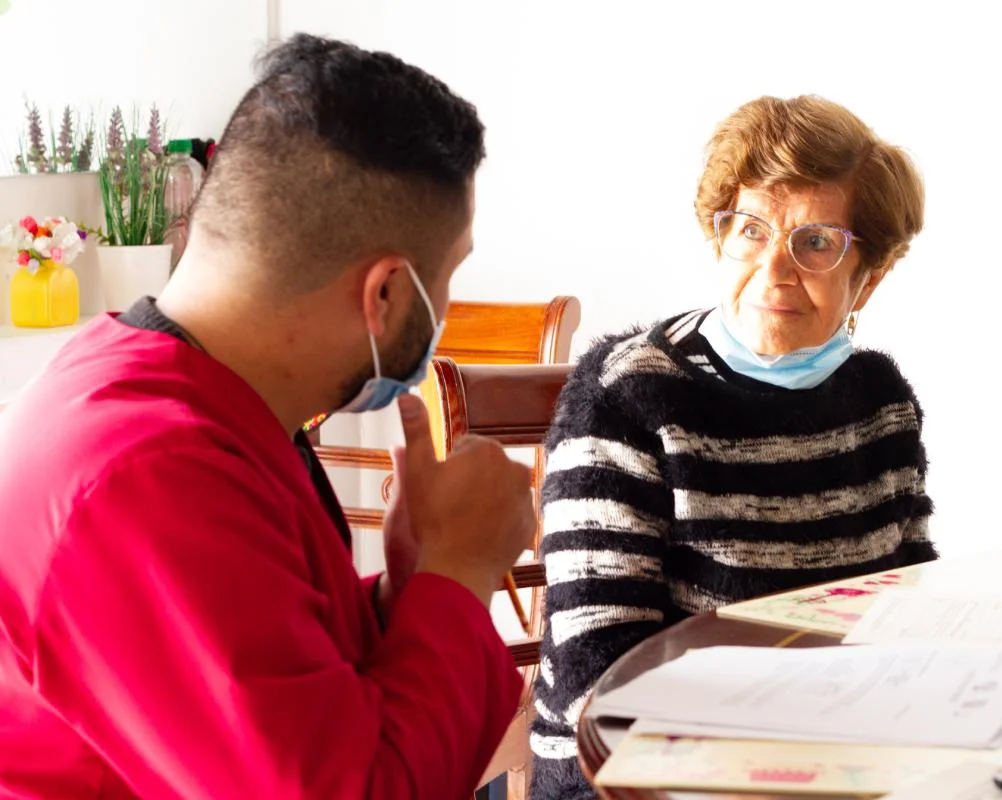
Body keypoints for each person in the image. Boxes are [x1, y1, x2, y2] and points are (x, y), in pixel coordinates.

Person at [0, 34, 534, 799]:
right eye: (449, 273)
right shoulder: (148, 473)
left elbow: (293, 687)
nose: (444, 304)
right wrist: (465, 570)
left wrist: (409, 590)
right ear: (385, 294)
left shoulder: (188, 394)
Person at [530, 95, 937, 798]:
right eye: (751, 230)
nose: (776, 271)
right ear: (719, 238)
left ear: (870, 274)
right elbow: (595, 672)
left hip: (830, 769)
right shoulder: (626, 396)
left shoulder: (880, 403)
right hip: (635, 778)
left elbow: (913, 611)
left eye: (815, 242)